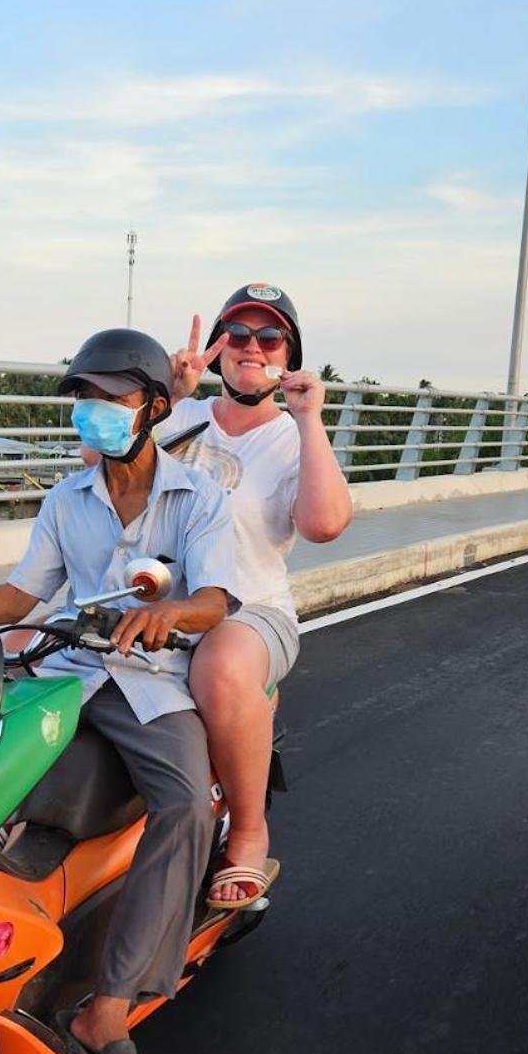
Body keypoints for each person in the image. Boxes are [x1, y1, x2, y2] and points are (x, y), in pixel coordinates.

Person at [0, 328, 238, 1054]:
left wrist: (170, 612)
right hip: (67, 671)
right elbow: (23, 597)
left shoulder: (197, 497)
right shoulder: (65, 500)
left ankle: (107, 1006)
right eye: (84, 399)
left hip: (150, 683)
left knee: (185, 807)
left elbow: (218, 599)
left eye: (109, 398)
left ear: (154, 408)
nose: (92, 413)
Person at [160, 283, 353, 908]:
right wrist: (164, 398)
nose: (251, 348)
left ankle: (248, 832)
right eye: (237, 335)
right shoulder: (178, 418)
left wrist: (310, 417)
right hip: (156, 603)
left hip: (249, 612)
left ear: (288, 354)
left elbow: (325, 524)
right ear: (217, 349)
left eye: (269, 337)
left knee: (217, 669)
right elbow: (94, 476)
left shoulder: (296, 437)